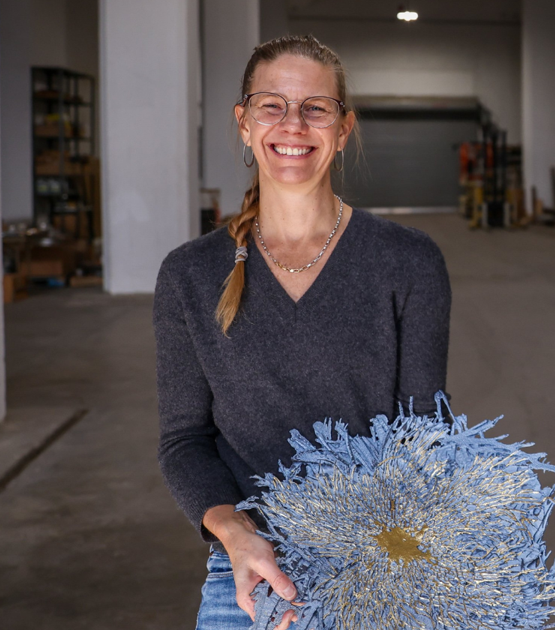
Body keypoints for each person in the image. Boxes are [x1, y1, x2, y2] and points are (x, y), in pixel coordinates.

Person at [153, 35, 451, 630]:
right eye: (272, 104)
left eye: (316, 107)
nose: (294, 124)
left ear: (343, 129)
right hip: (247, 570)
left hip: (378, 558)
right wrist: (236, 533)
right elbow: (185, 439)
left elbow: (425, 430)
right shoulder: (189, 274)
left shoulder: (407, 260)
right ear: (244, 122)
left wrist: (378, 563)